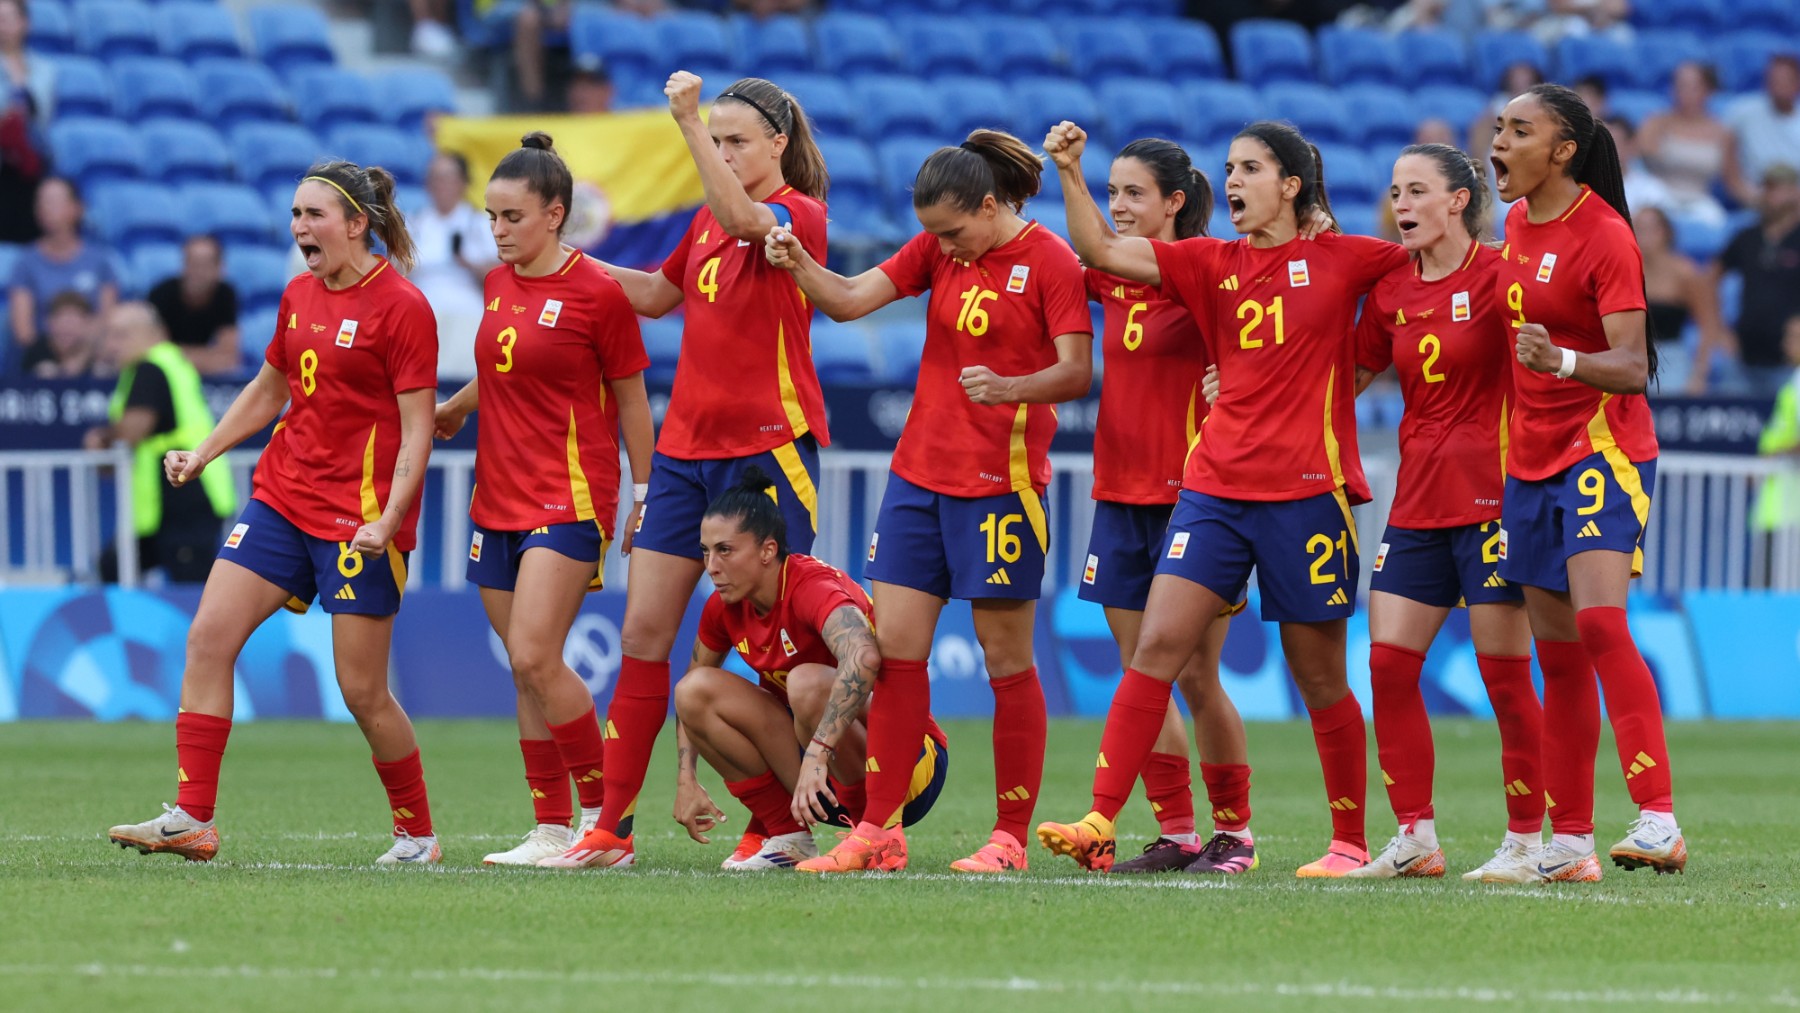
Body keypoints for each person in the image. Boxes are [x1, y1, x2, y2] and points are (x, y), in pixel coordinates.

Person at [1033, 119, 1408, 878]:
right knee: (1155, 651)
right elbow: (1102, 251)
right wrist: (1070, 173)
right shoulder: (1208, 262)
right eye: (1230, 169)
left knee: (1319, 676)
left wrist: (1357, 369)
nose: (1232, 182)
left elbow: (1428, 275)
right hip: (1211, 491)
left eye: (1251, 169)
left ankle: (1349, 842)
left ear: (1292, 186)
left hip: (1307, 496)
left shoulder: (1346, 259)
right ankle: (1102, 817)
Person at [765, 129, 1093, 873]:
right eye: (932, 235)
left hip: (1001, 491)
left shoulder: (1049, 261)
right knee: (898, 655)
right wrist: (800, 264)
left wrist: (1011, 388)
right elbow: (848, 301)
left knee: (1007, 660)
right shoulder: (938, 248)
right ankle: (879, 829)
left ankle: (1008, 837)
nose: (945, 246)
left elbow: (1077, 372)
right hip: (916, 482)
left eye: (954, 231)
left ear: (987, 205)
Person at [106, 160, 444, 866]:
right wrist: (203, 452)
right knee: (207, 638)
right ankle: (191, 817)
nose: (299, 228)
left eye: (314, 215)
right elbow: (269, 390)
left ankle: (417, 832)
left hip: (359, 520)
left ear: (357, 223)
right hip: (281, 497)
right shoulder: (298, 294)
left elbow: (419, 428)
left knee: (362, 691)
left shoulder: (403, 307)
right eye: (295, 215)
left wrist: (388, 518)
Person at [553, 72, 831, 870]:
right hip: (683, 454)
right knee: (644, 634)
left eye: (737, 138)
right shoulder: (707, 225)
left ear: (778, 145)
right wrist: (567, 260)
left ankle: (786, 820)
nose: (725, 149)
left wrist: (685, 123)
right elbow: (651, 293)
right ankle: (610, 826)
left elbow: (749, 219)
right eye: (719, 137)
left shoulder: (793, 215)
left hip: (767, 451)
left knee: (771, 644)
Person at [433, 133, 654, 868]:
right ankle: (551, 827)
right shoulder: (497, 285)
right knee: (526, 664)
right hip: (494, 497)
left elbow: (632, 402)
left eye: (511, 217)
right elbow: (502, 369)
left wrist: (645, 491)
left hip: (567, 498)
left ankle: (606, 822)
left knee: (533, 651)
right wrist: (458, 405)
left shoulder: (598, 293)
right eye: (490, 217)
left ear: (556, 214)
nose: (497, 231)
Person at [1483, 83, 1684, 882]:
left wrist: (1562, 360)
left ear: (1562, 150)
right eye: (1498, 126)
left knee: (1602, 626)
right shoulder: (1514, 223)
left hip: (1601, 450)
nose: (1499, 140)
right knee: (1557, 658)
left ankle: (1659, 818)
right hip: (1528, 461)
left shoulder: (1604, 234)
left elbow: (1633, 367)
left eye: (1518, 130)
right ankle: (1569, 844)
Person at [1330, 144, 1544, 882]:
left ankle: (1526, 840)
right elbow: (1348, 375)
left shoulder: (1499, 274)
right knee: (1387, 665)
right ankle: (1415, 837)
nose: (1402, 204)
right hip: (1418, 502)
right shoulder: (1390, 288)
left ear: (1459, 200)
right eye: (1395, 191)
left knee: (1504, 677)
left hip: (1494, 503)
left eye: (1417, 190)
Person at [1077, 138, 1258, 877]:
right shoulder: (1112, 276)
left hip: (1196, 500)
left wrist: (1236, 384)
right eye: (1111, 191)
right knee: (1137, 670)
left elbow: (1273, 341)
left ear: (1175, 202)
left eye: (1133, 194)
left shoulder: (1212, 272)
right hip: (1118, 496)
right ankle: (1177, 832)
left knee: (1193, 677)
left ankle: (1235, 832)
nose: (1118, 206)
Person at [668, 469, 950, 871]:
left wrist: (816, 756)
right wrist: (685, 778)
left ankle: (867, 837)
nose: (711, 566)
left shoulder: (809, 586)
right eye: (705, 551)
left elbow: (864, 657)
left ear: (767, 551)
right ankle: (787, 835)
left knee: (805, 683)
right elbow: (689, 694)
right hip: (818, 769)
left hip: (908, 765)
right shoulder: (724, 608)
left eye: (725, 550)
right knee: (693, 691)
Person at [85, 301, 237, 582]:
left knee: (190, 590)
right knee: (113, 567)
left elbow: (135, 429)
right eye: (109, 335)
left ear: (152, 334)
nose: (111, 345)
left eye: (121, 335)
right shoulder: (166, 362)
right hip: (169, 499)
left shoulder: (151, 367)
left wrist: (101, 438)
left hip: (184, 496)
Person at [1696, 164, 1800, 399]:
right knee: (1733, 430)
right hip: (1743, 357)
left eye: (1778, 189)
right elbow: (1709, 278)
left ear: (1795, 192)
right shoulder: (1747, 237)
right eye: (1767, 188)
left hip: (1791, 362)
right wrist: (1720, 330)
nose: (1771, 196)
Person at [8, 177, 117, 373]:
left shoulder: (100, 262)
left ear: (78, 208)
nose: (45, 208)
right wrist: (57, 357)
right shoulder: (25, 262)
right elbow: (23, 331)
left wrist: (80, 357)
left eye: (54, 201)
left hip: (90, 356)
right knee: (45, 371)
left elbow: (107, 321)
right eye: (40, 202)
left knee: (104, 370)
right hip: (41, 356)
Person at [410, 152, 498, 381]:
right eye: (435, 178)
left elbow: (499, 277)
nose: (441, 185)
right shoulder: (414, 223)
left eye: (448, 178)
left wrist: (468, 263)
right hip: (424, 312)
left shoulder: (480, 224)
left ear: (463, 183)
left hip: (466, 310)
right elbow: (395, 273)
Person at [1632, 205, 1728, 394]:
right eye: (1639, 228)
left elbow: (1709, 323)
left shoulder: (1686, 273)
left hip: (1670, 362)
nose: (1645, 236)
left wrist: (1699, 375)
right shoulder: (1624, 270)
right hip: (1631, 357)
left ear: (1666, 232)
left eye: (1651, 229)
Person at [1636, 62, 1733, 226]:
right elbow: (1634, 163)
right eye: (1679, 85)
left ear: (1708, 91)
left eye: (1692, 86)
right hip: (1658, 196)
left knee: (1716, 222)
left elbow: (1733, 181)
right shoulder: (1655, 123)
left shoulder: (1722, 133)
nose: (1684, 92)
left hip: (1701, 201)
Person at [147, 235, 242, 378]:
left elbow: (229, 358)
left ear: (219, 268)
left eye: (205, 264)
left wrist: (177, 355)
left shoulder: (226, 295)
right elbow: (151, 351)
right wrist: (208, 358)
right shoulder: (161, 294)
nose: (198, 272)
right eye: (192, 263)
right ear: (183, 265)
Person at [0, 0, 50, 245]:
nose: (2, 26)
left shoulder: (44, 69)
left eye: (7, 18)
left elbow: (41, 113)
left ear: (24, 23)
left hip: (30, 167)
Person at [1726, 54, 1800, 208]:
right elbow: (1729, 165)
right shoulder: (1742, 113)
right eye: (1774, 80)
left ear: (1797, 82)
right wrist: (1750, 197)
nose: (1779, 85)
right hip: (1756, 198)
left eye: (1786, 80)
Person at [26, 290, 98, 378]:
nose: (66, 328)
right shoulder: (36, 351)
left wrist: (83, 356)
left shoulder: (98, 355)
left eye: (72, 322)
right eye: (61, 320)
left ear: (87, 323)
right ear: (49, 322)